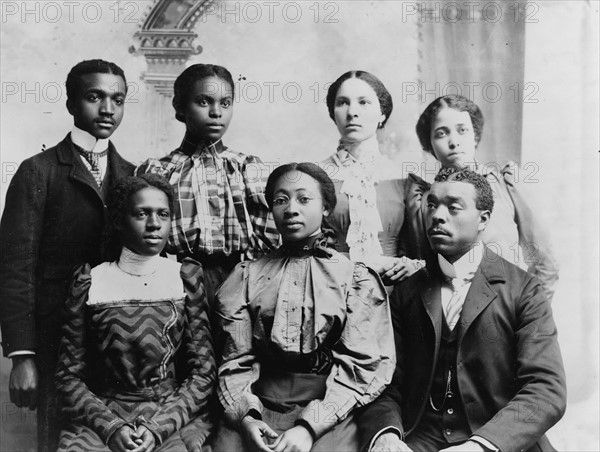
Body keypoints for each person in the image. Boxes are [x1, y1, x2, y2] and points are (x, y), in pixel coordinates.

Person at [358, 167, 566, 452]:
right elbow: (384, 382)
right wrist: (386, 435)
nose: (437, 216)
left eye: (453, 207)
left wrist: (481, 445)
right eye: (431, 206)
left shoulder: (523, 289)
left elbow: (546, 388)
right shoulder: (407, 292)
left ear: (483, 219)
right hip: (421, 440)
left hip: (501, 442)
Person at [212, 162, 395, 452]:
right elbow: (235, 361)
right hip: (258, 399)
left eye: (304, 199)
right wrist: (247, 419)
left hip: (328, 405)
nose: (291, 209)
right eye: (280, 200)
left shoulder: (354, 278)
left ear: (326, 208)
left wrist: (309, 428)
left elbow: (361, 365)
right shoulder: (247, 276)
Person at [0, 59, 134, 451]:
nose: (107, 109)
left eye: (118, 99)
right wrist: (22, 355)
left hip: (117, 337)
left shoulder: (131, 174)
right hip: (55, 338)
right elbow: (14, 267)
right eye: (95, 97)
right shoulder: (38, 171)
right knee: (60, 439)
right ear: (72, 102)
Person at [55, 174, 216, 452]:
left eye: (163, 215)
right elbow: (68, 377)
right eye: (142, 214)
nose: (154, 224)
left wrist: (158, 427)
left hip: (169, 416)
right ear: (119, 221)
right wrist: (110, 428)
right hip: (103, 418)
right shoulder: (90, 282)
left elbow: (203, 373)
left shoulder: (184, 278)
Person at [136, 63, 279, 307]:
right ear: (180, 107)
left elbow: (268, 242)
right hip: (176, 283)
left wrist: (248, 290)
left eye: (225, 103)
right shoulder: (159, 171)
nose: (216, 112)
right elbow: (146, 239)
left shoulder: (247, 168)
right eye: (203, 102)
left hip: (242, 285)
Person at [410, 94, 559, 300]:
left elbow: (545, 262)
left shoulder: (506, 185)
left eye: (462, 130)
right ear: (429, 144)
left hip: (504, 311)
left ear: (475, 135)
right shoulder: (423, 200)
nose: (454, 142)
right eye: (441, 133)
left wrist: (530, 318)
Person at [320, 70, 427, 286]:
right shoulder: (315, 176)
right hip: (332, 290)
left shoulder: (405, 179)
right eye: (342, 103)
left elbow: (422, 247)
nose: (352, 112)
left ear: (382, 114)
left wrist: (412, 265)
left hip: (394, 294)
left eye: (364, 102)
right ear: (333, 113)